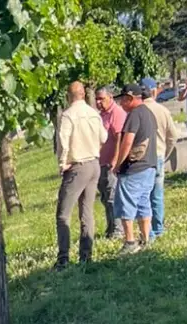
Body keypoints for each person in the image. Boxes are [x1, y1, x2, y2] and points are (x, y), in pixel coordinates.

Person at [54, 81, 106, 269]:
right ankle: (86, 255)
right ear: (83, 94)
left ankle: (63, 258)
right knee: (87, 212)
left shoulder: (68, 116)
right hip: (94, 163)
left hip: (77, 166)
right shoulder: (94, 114)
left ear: (68, 96)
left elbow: (63, 141)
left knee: (63, 214)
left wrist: (62, 163)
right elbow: (104, 137)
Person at [113, 84, 159, 255]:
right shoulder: (149, 113)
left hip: (134, 168)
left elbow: (127, 142)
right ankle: (146, 239)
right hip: (150, 166)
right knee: (143, 203)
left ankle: (130, 241)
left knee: (126, 204)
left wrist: (118, 164)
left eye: (123, 99)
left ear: (130, 98)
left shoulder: (134, 115)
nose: (121, 103)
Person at [142, 83, 178, 240]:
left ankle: (148, 232)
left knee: (143, 196)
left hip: (142, 158)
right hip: (158, 155)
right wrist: (166, 152)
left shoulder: (137, 112)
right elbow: (173, 136)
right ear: (154, 92)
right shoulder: (163, 110)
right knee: (157, 195)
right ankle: (158, 229)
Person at [97, 86, 126, 239]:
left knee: (112, 196)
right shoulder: (101, 114)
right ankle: (110, 227)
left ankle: (118, 229)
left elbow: (119, 138)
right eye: (97, 99)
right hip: (100, 162)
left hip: (110, 162)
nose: (98, 102)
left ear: (110, 97)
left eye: (101, 99)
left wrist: (115, 160)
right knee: (104, 196)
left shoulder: (117, 113)